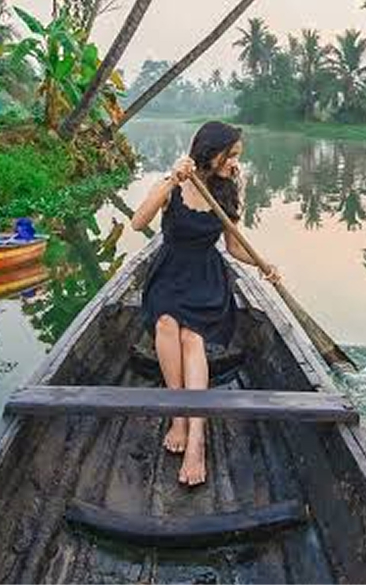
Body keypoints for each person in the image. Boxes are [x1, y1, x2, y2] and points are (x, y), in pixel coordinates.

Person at [130, 121, 280, 486]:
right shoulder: (176, 181)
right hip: (169, 271)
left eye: (237, 158)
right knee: (166, 323)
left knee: (191, 338)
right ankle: (177, 414)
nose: (235, 164)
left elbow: (233, 246)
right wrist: (171, 178)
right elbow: (138, 222)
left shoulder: (230, 189)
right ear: (211, 153)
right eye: (231, 157)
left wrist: (264, 266)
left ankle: (196, 434)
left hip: (205, 276)